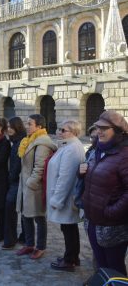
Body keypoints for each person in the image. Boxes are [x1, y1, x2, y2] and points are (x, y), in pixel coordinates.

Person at [81, 110, 128, 276]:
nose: (99, 131)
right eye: (97, 127)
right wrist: (81, 173)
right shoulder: (97, 150)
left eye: (104, 128)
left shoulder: (124, 154)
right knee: (101, 265)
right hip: (93, 220)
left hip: (113, 225)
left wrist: (111, 212)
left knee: (114, 268)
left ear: (117, 131)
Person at [16, 114, 57, 258]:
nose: (27, 126)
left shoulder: (43, 142)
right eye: (26, 123)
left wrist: (30, 183)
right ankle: (29, 244)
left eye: (30, 124)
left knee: (39, 217)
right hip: (26, 184)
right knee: (26, 215)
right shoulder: (28, 140)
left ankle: (40, 246)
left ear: (39, 126)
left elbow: (40, 167)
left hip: (34, 187)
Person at [47, 120, 85, 271]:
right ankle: (72, 256)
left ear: (74, 132)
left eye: (63, 130)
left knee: (69, 228)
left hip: (66, 197)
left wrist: (57, 199)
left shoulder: (72, 148)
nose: (59, 132)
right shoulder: (68, 145)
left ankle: (70, 260)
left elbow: (65, 177)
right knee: (68, 227)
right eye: (59, 129)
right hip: (65, 196)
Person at [2, 117, 26, 249]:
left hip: (17, 181)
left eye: (11, 127)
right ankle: (23, 236)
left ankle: (11, 239)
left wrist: (11, 177)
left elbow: (17, 164)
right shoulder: (14, 141)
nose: (9, 130)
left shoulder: (21, 141)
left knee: (11, 208)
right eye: (8, 127)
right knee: (19, 209)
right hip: (15, 180)